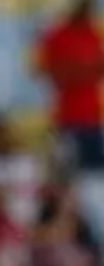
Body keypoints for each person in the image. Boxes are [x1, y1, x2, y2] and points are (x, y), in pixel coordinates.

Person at [37, 0, 104, 172]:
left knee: (94, 172)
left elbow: (97, 69)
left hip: (92, 116)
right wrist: (85, 69)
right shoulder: (57, 37)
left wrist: (85, 69)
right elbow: (52, 73)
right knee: (68, 170)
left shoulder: (93, 34)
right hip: (67, 117)